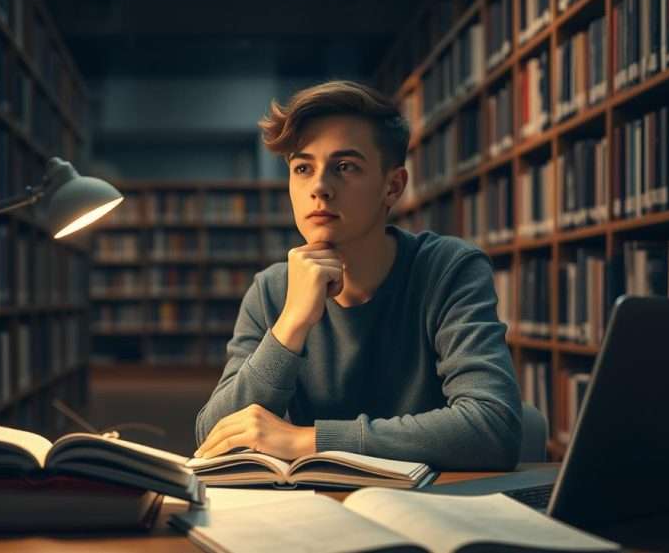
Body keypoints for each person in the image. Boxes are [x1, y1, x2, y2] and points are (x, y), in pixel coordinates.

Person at [193, 80, 521, 470]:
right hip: (311, 512)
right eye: (302, 168)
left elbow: (493, 427)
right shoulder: (272, 290)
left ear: (392, 186)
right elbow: (213, 438)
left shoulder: (448, 269)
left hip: (430, 510)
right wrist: (292, 323)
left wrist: (309, 440)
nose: (319, 187)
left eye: (344, 167)